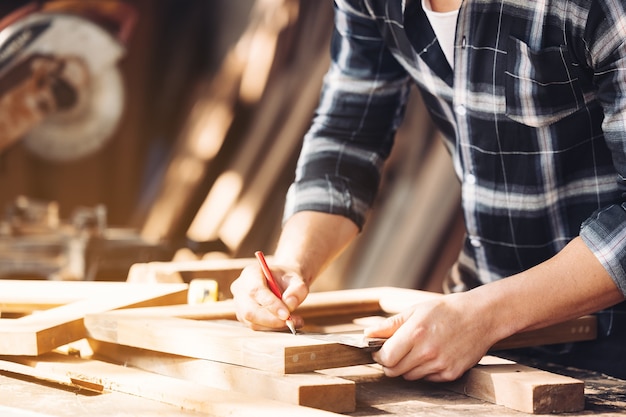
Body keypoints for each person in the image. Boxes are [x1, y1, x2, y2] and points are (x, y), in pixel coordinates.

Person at [230, 0, 626, 381]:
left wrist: (484, 315)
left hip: (611, 338)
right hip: (481, 326)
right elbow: (348, 139)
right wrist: (292, 264)